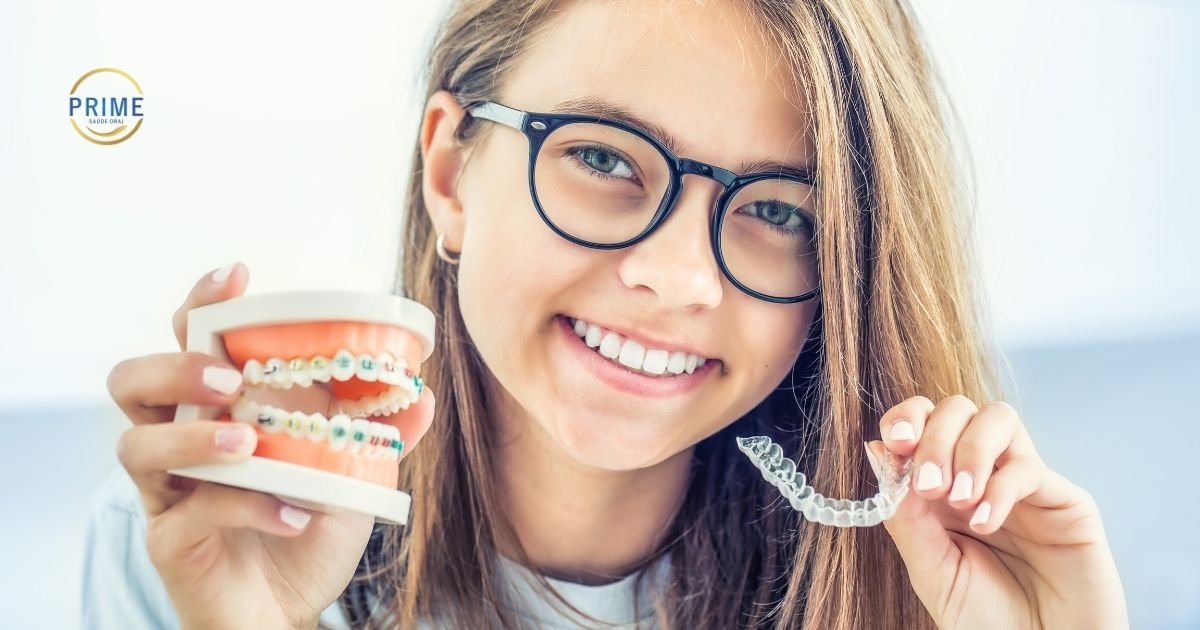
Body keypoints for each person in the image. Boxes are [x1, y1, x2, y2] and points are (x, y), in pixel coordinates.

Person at [85, 0, 1128, 628]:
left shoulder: (922, 588)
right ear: (452, 171)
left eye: (776, 211)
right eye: (600, 158)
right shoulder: (188, 539)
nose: (678, 278)